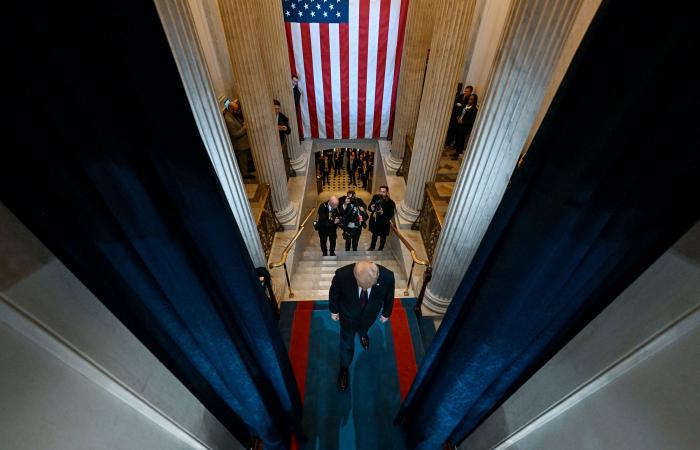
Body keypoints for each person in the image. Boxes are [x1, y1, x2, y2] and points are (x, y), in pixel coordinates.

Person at [329, 261, 395, 391]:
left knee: (364, 329)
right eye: (361, 286)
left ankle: (363, 334)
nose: (364, 290)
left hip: (369, 315)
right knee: (346, 342)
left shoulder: (388, 276)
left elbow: (389, 296)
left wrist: (387, 313)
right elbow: (334, 293)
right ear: (355, 276)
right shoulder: (342, 274)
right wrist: (334, 310)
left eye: (368, 286)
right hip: (347, 316)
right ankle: (344, 368)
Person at [224, 98, 255, 179]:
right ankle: (245, 174)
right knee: (243, 160)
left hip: (243, 142)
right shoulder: (229, 120)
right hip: (240, 144)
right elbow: (235, 134)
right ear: (231, 109)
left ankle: (247, 170)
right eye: (235, 110)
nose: (237, 111)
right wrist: (244, 128)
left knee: (244, 160)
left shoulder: (231, 115)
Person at [368, 185, 396, 251]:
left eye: (384, 192)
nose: (382, 193)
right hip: (375, 221)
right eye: (380, 191)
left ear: (387, 193)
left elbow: (390, 216)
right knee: (374, 235)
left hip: (384, 223)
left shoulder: (391, 203)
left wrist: (382, 213)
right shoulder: (375, 197)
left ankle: (381, 248)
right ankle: (372, 247)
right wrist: (371, 208)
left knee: (383, 237)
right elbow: (370, 207)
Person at [453, 93, 479, 160]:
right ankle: (456, 152)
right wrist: (458, 117)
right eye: (469, 99)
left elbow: (472, 121)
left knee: (461, 141)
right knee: (457, 139)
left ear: (474, 101)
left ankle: (458, 154)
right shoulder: (465, 106)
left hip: (465, 128)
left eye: (472, 99)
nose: (470, 100)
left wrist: (463, 122)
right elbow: (460, 113)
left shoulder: (474, 109)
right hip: (459, 125)